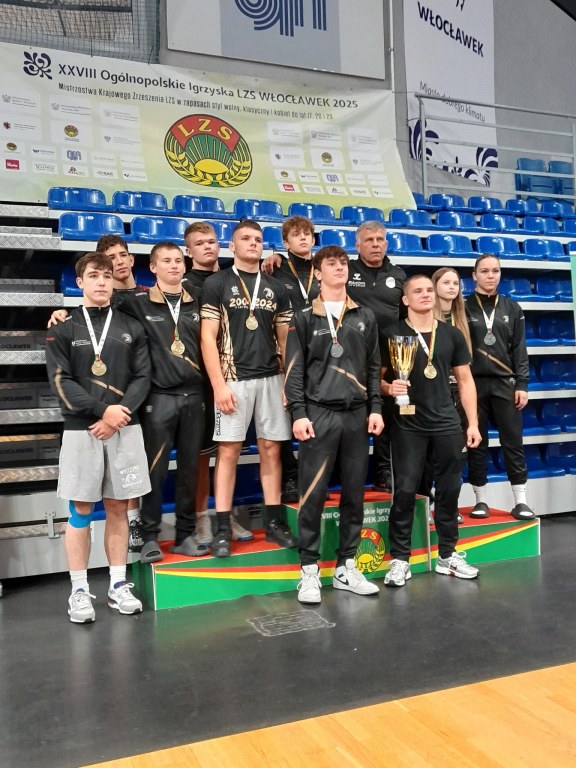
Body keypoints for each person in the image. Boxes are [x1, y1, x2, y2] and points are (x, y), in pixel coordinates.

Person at [45, 252, 151, 623]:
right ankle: (78, 590)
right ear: (80, 282)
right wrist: (102, 411)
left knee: (119, 508)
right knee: (81, 510)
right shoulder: (63, 327)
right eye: (94, 275)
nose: (102, 281)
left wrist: (116, 417)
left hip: (124, 426)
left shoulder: (131, 325)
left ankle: (118, 584)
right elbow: (60, 381)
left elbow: (143, 377)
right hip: (82, 429)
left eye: (107, 275)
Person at [285, 245, 383, 603]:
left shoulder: (364, 315)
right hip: (318, 413)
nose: (340, 268)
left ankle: (346, 566)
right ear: (318, 271)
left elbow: (374, 367)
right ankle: (309, 570)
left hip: (357, 414)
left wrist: (376, 408)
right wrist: (298, 413)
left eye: (343, 263)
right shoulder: (303, 316)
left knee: (354, 495)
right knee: (312, 495)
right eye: (331, 264)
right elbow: (293, 369)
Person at [200, 219, 296, 557]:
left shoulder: (277, 288)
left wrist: (288, 383)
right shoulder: (217, 283)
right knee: (228, 451)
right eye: (245, 238)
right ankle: (222, 527)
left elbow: (285, 340)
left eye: (257, 239)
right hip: (233, 379)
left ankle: (273, 522)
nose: (253, 243)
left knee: (271, 450)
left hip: (271, 377)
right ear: (232, 246)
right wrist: (218, 385)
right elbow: (207, 338)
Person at [380, 275, 481, 587]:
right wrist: (388, 387)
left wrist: (473, 423)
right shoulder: (391, 334)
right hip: (407, 425)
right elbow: (377, 380)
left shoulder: (451, 334)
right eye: (417, 291)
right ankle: (400, 559)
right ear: (405, 299)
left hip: (447, 424)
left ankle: (448, 556)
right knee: (405, 492)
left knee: (449, 492)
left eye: (428, 290)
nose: (425, 295)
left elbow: (465, 381)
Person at [116, 241, 208, 563]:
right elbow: (96, 309)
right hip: (159, 398)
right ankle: (150, 537)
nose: (174, 265)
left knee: (189, 470)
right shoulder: (137, 302)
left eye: (178, 260)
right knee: (155, 471)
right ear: (153, 267)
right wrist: (62, 314)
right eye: (166, 261)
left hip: (195, 396)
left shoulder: (198, 299)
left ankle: (185, 535)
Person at [183, 221, 253, 545]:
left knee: (229, 452)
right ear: (188, 251)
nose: (207, 247)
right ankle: (201, 521)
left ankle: (226, 517)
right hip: (200, 380)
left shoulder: (232, 279)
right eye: (199, 243)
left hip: (235, 376)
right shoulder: (183, 285)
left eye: (211, 241)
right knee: (201, 457)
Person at [465, 255, 533, 520]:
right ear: (474, 275)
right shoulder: (463, 307)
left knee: (513, 442)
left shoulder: (512, 307)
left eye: (495, 271)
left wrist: (522, 383)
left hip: (506, 383)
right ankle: (480, 500)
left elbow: (519, 349)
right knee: (476, 443)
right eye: (484, 271)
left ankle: (521, 501)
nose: (490, 275)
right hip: (473, 384)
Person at [261, 215, 321, 503]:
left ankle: (314, 474)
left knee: (318, 413)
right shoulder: (276, 268)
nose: (303, 238)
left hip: (320, 349)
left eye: (307, 234)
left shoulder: (322, 267)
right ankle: (290, 475)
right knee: (285, 415)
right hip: (286, 349)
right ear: (285, 243)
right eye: (296, 235)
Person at [348, 222, 406, 494]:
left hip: (389, 356)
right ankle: (351, 473)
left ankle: (384, 471)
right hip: (351, 353)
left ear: (386, 243)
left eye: (380, 239)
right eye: (369, 240)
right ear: (357, 245)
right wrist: (276, 257)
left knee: (385, 412)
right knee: (353, 413)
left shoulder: (398, 275)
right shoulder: (346, 269)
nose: (375, 244)